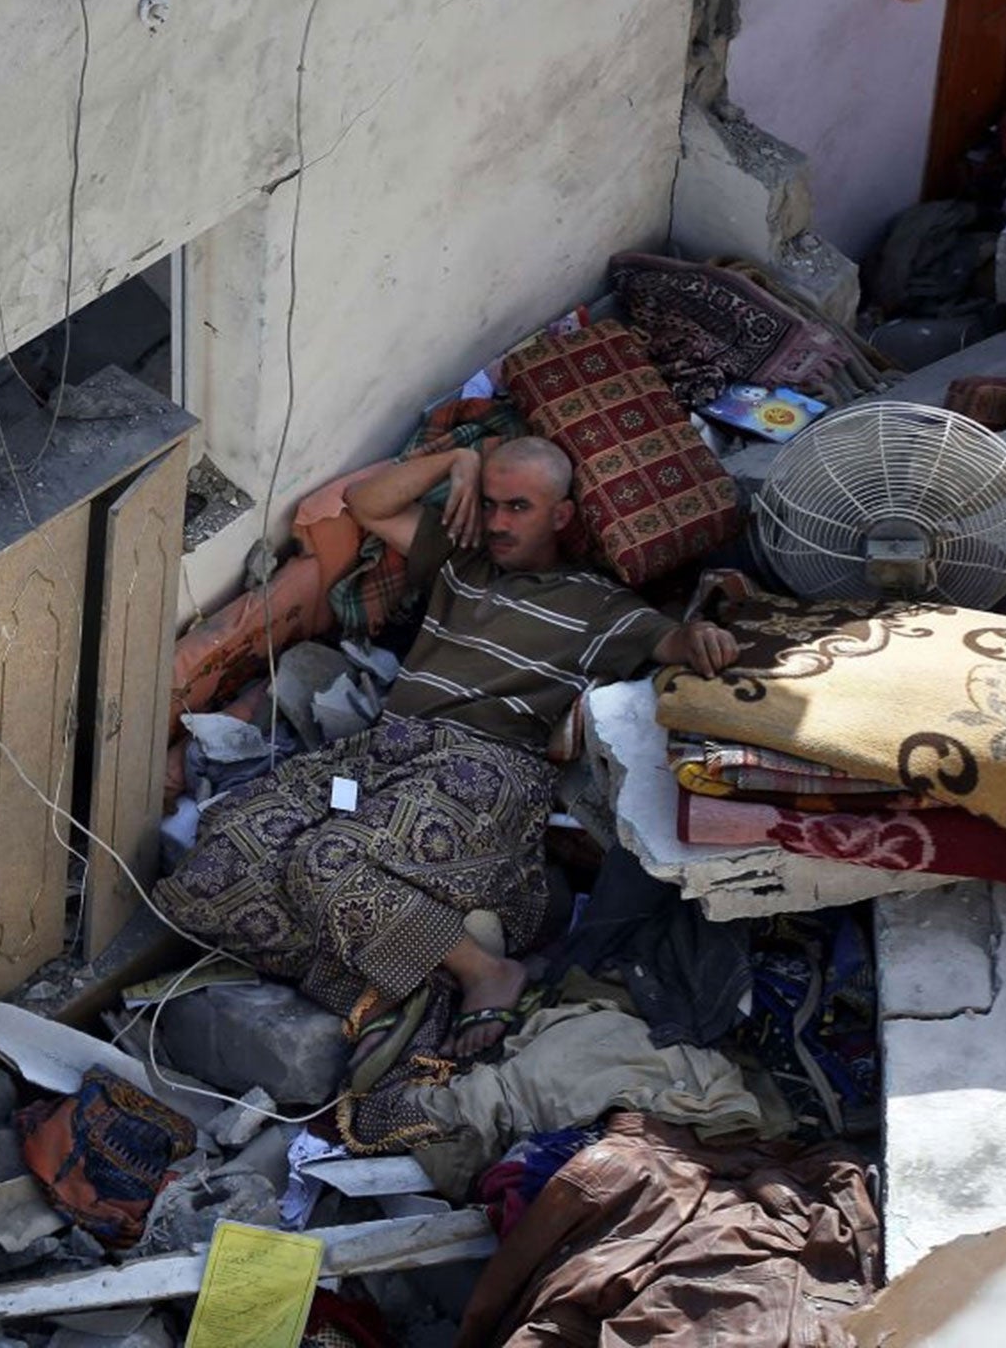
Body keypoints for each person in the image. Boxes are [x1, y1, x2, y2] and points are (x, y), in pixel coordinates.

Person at [153, 435, 736, 1060]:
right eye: (488, 504)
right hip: (385, 750)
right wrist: (460, 460)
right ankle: (419, 952)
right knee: (210, 865)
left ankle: (482, 972)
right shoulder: (460, 561)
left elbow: (674, 642)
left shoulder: (599, 605)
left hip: (485, 767)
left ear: (561, 516)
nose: (497, 522)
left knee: (328, 861)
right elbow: (364, 502)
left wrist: (703, 637)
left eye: (519, 508)